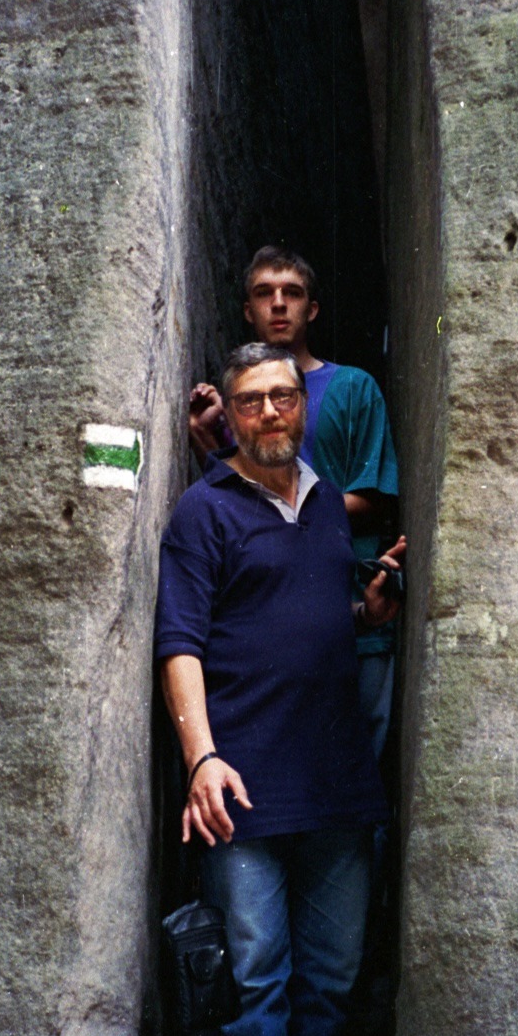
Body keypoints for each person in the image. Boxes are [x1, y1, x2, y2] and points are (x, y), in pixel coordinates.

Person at [157, 343, 406, 1036]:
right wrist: (202, 759)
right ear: (233, 410)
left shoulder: (320, 508)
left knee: (331, 976)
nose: (270, 413)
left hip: (337, 781)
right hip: (244, 789)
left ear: (304, 406)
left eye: (284, 398)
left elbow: (297, 622)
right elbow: (181, 642)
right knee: (255, 977)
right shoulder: (203, 511)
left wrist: (366, 616)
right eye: (253, 400)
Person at [189, 245, 399, 760]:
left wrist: (288, 516)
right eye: (264, 294)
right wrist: (208, 440)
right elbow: (231, 498)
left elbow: (375, 498)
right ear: (247, 311)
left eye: (293, 293)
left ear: (313, 309)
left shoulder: (353, 388)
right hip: (263, 619)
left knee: (356, 774)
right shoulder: (238, 402)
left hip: (352, 614)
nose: (279, 304)